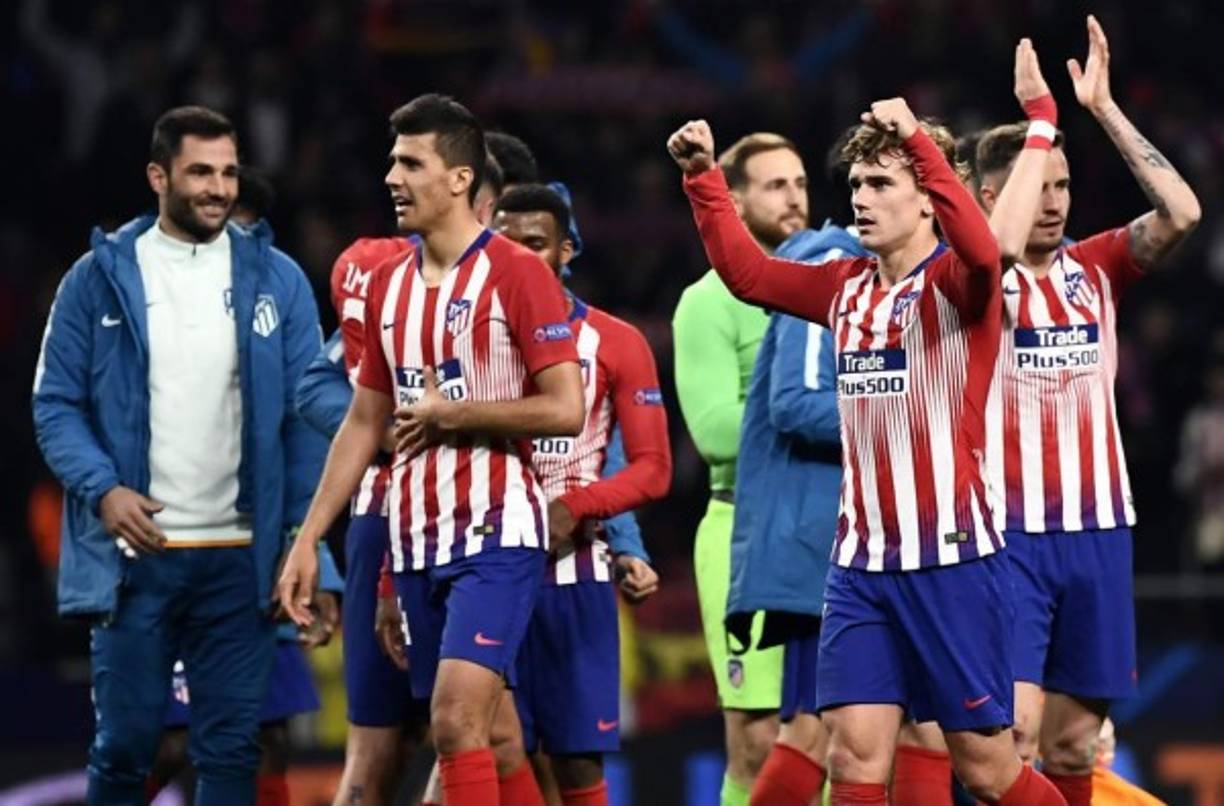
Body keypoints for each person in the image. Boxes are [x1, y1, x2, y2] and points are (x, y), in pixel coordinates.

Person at [667, 92, 1067, 804]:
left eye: (881, 183)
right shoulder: (842, 285)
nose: (861, 197)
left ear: (927, 200)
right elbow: (750, 277)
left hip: (950, 562)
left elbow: (985, 249)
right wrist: (703, 179)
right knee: (852, 758)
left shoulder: (957, 284)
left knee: (984, 768)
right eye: (856, 183)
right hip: (858, 567)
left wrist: (917, 139)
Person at [277, 93, 584, 806]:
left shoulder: (516, 273)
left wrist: (457, 414)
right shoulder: (387, 286)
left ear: (458, 179)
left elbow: (565, 408)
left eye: (411, 163)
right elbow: (363, 421)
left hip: (496, 534)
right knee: (481, 736)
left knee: (454, 720)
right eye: (392, 161)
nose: (392, 177)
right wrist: (308, 538)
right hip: (412, 540)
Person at [32, 105, 326, 806]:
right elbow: (55, 405)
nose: (218, 189)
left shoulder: (279, 278)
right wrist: (104, 490)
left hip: (242, 561)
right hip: (138, 558)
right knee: (127, 747)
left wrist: (310, 545)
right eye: (200, 172)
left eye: (228, 172)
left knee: (234, 750)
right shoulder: (94, 279)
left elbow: (310, 418)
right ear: (158, 176)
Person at [978, 21, 1200, 806]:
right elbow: (990, 252)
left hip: (1098, 532)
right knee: (1013, 737)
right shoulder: (969, 281)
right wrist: (1039, 123)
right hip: (1009, 537)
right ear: (992, 197)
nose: (1052, 203)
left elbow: (1182, 212)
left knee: (1074, 744)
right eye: (1036, 187)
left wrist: (1101, 107)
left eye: (1063, 187)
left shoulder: (1095, 266)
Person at [146, 166, 343, 806]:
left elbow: (307, 445)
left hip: (256, 562)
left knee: (267, 737)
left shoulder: (281, 311)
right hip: (168, 556)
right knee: (166, 743)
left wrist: (315, 559)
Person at [485, 183, 671, 806]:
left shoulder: (615, 342)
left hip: (574, 575)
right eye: (506, 244)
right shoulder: (463, 338)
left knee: (575, 763)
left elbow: (653, 469)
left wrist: (576, 509)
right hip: (480, 569)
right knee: (493, 745)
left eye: (536, 243)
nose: (519, 257)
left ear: (567, 250)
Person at [672, 132, 804, 805]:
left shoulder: (829, 289)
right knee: (758, 741)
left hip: (827, 532)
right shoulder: (707, 301)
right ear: (737, 200)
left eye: (801, 183)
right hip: (745, 531)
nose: (795, 198)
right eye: (776, 185)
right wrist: (810, 410)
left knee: (845, 734)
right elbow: (716, 433)